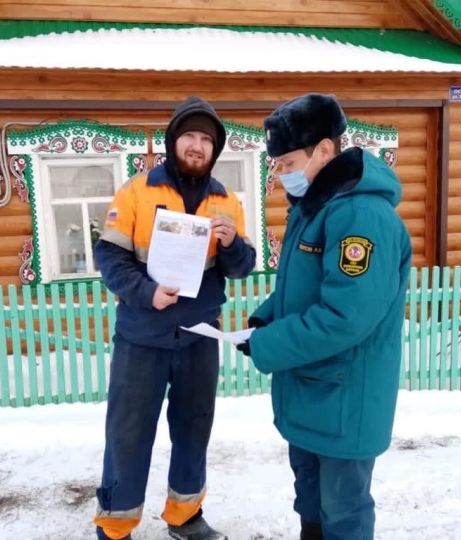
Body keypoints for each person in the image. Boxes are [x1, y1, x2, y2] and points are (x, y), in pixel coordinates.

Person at [237, 94, 412, 540]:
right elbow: (300, 290)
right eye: (277, 165)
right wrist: (263, 321)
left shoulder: (360, 216)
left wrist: (270, 346)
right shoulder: (316, 206)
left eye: (288, 162)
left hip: (345, 396)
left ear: (325, 151)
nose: (281, 175)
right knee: (312, 503)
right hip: (314, 391)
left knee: (344, 513)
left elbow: (346, 316)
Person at [93, 96, 256, 540]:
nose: (197, 146)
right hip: (142, 337)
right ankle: (115, 523)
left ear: (214, 149)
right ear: (173, 140)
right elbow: (108, 255)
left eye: (207, 139)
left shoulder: (227, 201)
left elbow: (242, 267)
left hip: (200, 336)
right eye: (190, 136)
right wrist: (147, 293)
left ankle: (184, 516)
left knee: (194, 428)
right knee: (128, 432)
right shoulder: (135, 192)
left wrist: (232, 246)